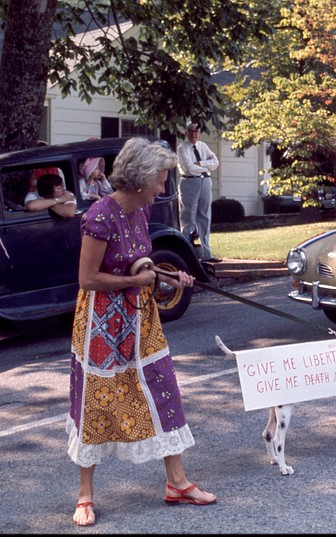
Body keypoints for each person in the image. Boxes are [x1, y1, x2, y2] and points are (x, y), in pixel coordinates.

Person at [67, 137, 217, 527]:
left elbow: (138, 262)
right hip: (102, 322)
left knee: (163, 388)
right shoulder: (100, 216)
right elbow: (87, 279)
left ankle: (178, 483)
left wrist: (169, 276)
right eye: (161, 180)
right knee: (97, 401)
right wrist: (141, 279)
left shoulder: (139, 211)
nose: (163, 188)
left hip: (141, 318)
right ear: (139, 180)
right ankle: (85, 495)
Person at [176, 123, 220, 262]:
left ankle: (206, 254)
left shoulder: (203, 146)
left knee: (205, 216)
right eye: (191, 131)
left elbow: (215, 162)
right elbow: (189, 168)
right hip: (189, 182)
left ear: (199, 133)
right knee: (188, 216)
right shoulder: (182, 149)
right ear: (187, 132)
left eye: (196, 132)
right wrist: (207, 166)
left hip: (205, 181)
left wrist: (200, 164)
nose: (194, 134)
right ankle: (187, 254)